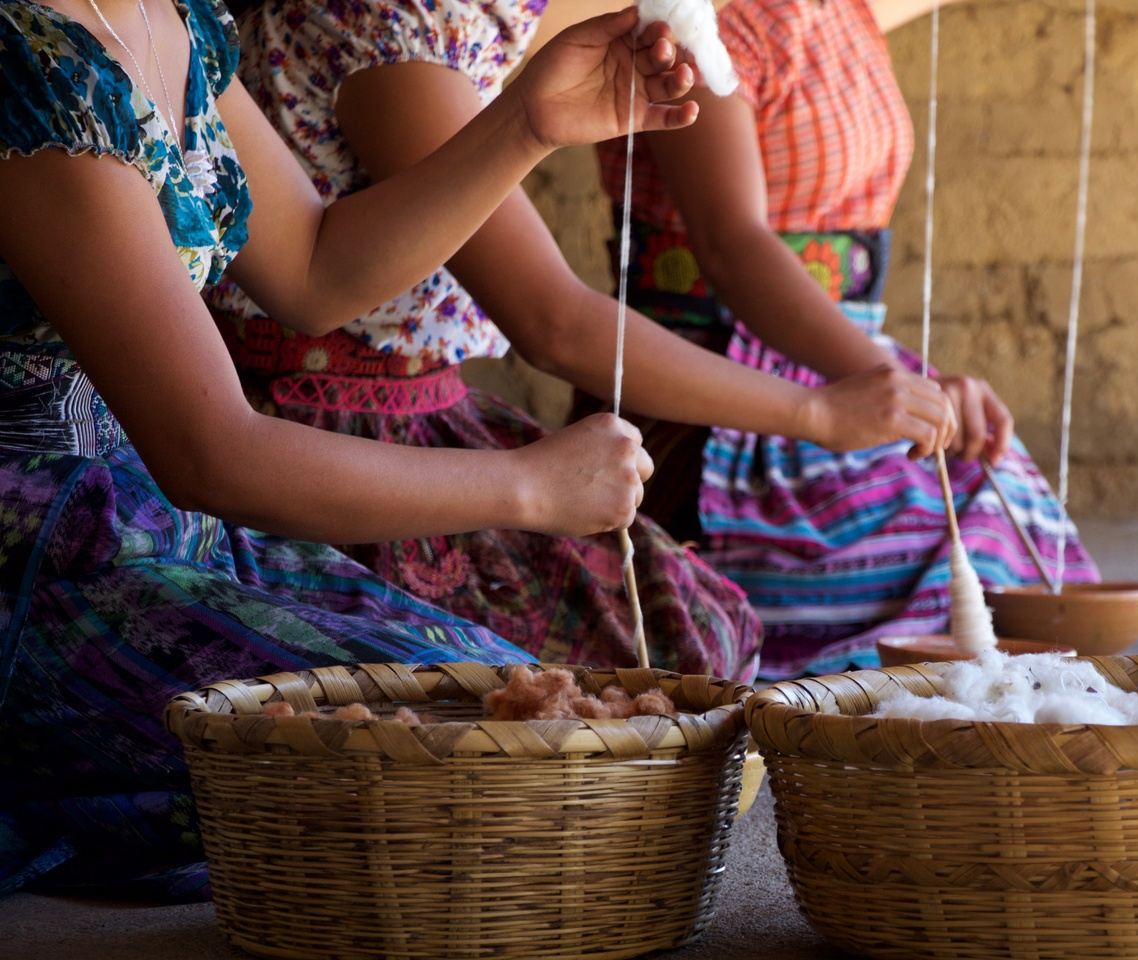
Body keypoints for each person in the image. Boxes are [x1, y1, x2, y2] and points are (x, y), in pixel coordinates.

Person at [0, 0, 695, 898]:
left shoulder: (165, 21)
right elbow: (212, 454)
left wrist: (526, 122)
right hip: (39, 555)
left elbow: (318, 272)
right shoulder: (29, 61)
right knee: (458, 762)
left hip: (157, 525)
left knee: (515, 702)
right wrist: (526, 484)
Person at [207, 0, 960, 679]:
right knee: (616, 669)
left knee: (706, 624)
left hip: (431, 405)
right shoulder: (384, 33)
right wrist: (817, 413)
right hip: (327, 428)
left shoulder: (471, 20)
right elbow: (555, 323)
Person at [591, 0, 1101, 678]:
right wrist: (883, 378)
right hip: (723, 396)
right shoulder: (694, 24)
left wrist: (900, 382)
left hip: (846, 355)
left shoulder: (843, 13)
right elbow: (731, 244)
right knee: (921, 575)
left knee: (1002, 509)